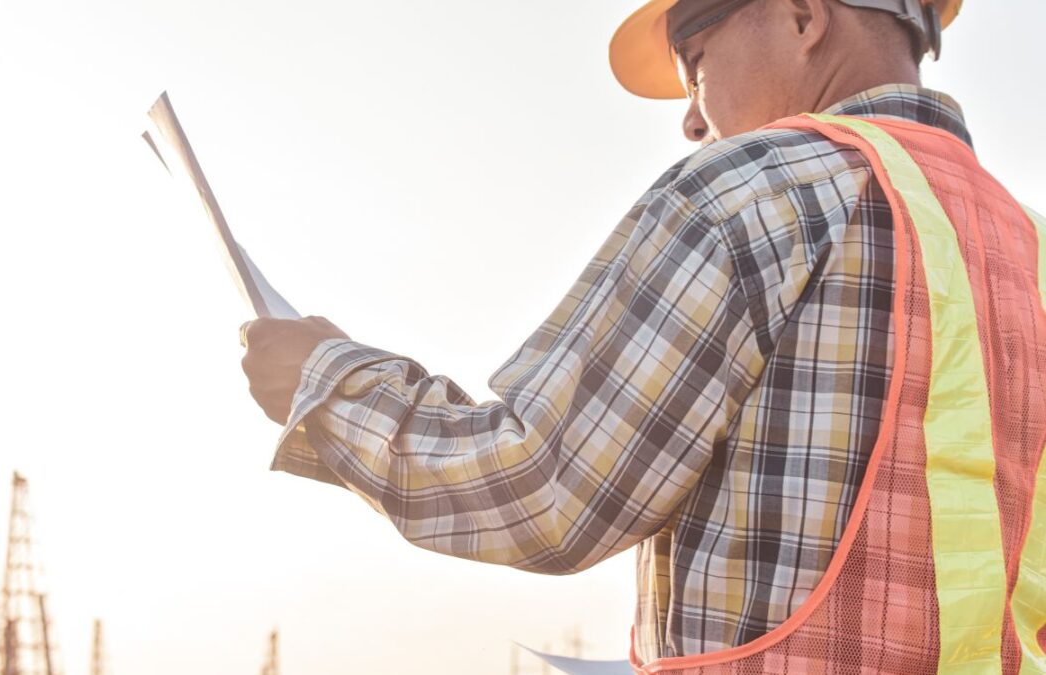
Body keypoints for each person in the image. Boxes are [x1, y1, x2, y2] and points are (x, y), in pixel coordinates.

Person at [240, 0, 1046, 671]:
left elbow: (540, 488)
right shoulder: (1028, 249)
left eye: (695, 61)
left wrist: (328, 386)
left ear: (803, 15)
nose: (694, 119)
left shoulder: (755, 191)